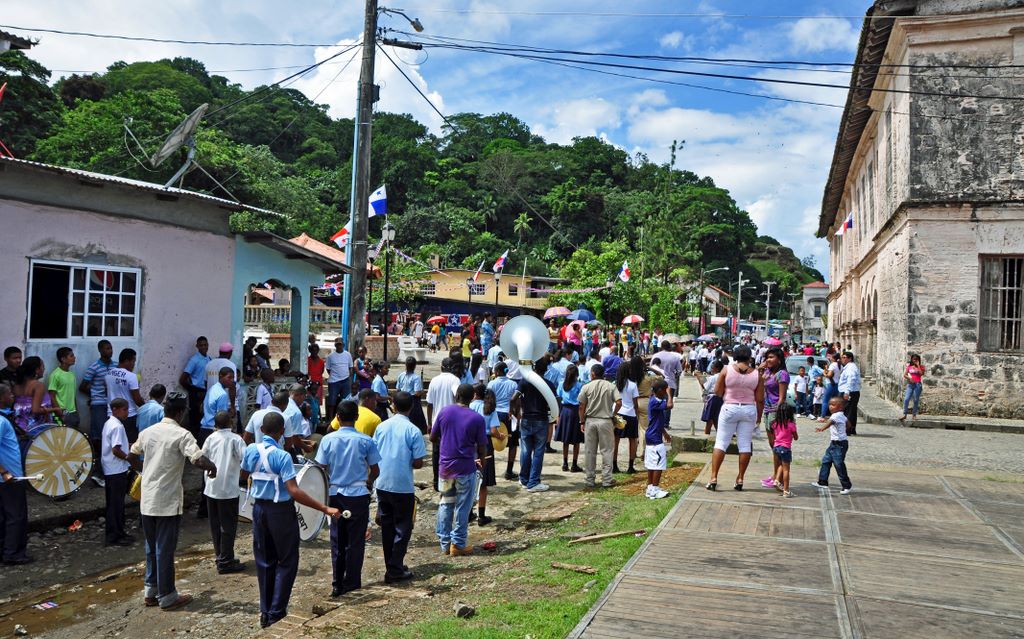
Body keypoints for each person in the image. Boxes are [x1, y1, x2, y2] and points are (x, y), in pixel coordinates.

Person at [242, 412, 341, 627]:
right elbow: (294, 491)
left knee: (264, 560)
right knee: (287, 561)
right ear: (281, 433)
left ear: (261, 430)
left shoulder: (250, 450)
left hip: (258, 511)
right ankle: (277, 611)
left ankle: (265, 611)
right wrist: (324, 508)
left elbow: (243, 475)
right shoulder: (282, 456)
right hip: (280, 512)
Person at [127, 393, 217, 611]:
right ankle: (167, 596)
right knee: (164, 548)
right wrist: (212, 467)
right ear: (180, 412)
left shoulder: (148, 433)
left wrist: (143, 471)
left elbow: (132, 453)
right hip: (167, 500)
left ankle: (151, 591)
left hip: (147, 498)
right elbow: (198, 459)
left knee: (151, 546)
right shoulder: (182, 434)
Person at [315, 400, 381, 596]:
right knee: (355, 541)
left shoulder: (327, 440)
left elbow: (320, 468)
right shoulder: (366, 441)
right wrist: (368, 481)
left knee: (337, 540)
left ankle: (337, 583)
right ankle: (352, 582)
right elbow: (375, 469)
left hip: (335, 495)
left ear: (337, 417)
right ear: (357, 417)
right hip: (358, 495)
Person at [373, 391, 427, 583]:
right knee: (404, 527)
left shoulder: (382, 426)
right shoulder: (413, 430)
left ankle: (393, 564)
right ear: (411, 407)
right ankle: (395, 568)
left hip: (382, 482)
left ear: (393, 406)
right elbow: (419, 462)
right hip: (402, 484)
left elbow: (374, 452)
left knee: (387, 526)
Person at [431, 384, 487, 556]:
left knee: (445, 503)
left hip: (446, 467)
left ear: (456, 396)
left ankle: (444, 544)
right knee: (463, 506)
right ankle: (458, 543)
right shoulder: (477, 418)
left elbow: (433, 437)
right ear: (473, 397)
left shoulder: (444, 412)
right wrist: (482, 463)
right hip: (465, 467)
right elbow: (482, 446)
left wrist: (447, 444)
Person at [707, 345, 764, 492]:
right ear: (750, 357)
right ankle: (740, 478)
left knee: (721, 443)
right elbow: (760, 399)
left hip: (730, 407)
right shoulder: (757, 374)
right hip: (749, 409)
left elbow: (717, 392)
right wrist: (759, 417)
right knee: (745, 445)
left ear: (736, 355)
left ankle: (713, 477)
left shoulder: (726, 369)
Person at [202, 410, 246, 574]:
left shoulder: (210, 438)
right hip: (228, 489)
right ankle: (225, 561)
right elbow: (246, 459)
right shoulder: (236, 440)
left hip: (211, 488)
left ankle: (222, 556)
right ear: (231, 423)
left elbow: (202, 458)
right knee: (228, 526)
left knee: (215, 525)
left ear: (215, 425)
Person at [512, 358, 554, 492]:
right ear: (546, 369)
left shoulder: (525, 382)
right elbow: (555, 403)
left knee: (525, 451)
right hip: (541, 420)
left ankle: (524, 479)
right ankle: (533, 482)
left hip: (526, 419)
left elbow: (513, 398)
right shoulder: (548, 384)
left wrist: (514, 413)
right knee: (538, 452)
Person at [0, 384, 30, 565]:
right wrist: (4, 472)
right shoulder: (2, 421)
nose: (12, 396)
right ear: (1, 397)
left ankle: (6, 551)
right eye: (9, 394)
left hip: (9, 477)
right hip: (9, 478)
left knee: (5, 517)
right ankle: (13, 553)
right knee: (15, 516)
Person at [12, 357, 63, 455]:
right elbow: (35, 410)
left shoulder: (17, 385)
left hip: (19, 428)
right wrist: (55, 409)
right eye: (42, 366)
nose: (44, 369)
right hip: (35, 430)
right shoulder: (38, 385)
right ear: (36, 370)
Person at [578, 364, 618, 489]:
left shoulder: (586, 387)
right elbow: (619, 402)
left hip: (590, 421)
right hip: (606, 421)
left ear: (593, 374)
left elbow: (581, 406)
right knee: (607, 451)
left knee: (590, 451)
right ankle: (607, 480)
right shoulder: (611, 386)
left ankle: (589, 480)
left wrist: (582, 421)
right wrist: (613, 414)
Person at [81, 340, 115, 483]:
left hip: (112, 405)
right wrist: (94, 394)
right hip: (99, 404)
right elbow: (83, 386)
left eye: (111, 348)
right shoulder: (94, 367)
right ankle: (98, 472)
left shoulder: (115, 365)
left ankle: (108, 470)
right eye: (107, 348)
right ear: (100, 351)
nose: (110, 351)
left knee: (111, 438)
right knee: (99, 437)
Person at [102, 398, 134, 547]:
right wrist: (129, 458)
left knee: (114, 504)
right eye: (124, 409)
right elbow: (116, 449)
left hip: (110, 469)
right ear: (115, 409)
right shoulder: (117, 426)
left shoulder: (109, 423)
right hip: (116, 469)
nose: (126, 412)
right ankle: (115, 535)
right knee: (116, 504)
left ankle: (117, 532)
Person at [427, 358, 461, 491]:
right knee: (450, 451)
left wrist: (429, 423)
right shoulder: (455, 380)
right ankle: (449, 480)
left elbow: (429, 404)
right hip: (452, 423)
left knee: (437, 452)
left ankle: (437, 481)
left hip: (436, 421)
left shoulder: (434, 380)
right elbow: (458, 397)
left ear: (441, 367)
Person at [469, 386, 502, 523]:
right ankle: (481, 516)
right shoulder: (489, 409)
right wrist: (500, 436)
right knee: (483, 481)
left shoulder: (470, 405)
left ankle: (469, 513)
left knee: (470, 479)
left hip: (470, 442)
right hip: (486, 444)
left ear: (475, 394)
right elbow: (494, 430)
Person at [758, 347, 790, 489]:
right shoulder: (767, 372)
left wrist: (778, 417)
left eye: (771, 357)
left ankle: (780, 478)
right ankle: (775, 476)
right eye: (767, 357)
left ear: (779, 359)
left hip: (777, 413)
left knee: (780, 447)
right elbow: (758, 386)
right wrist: (759, 370)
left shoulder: (782, 374)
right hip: (767, 411)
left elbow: (781, 398)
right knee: (773, 447)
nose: (768, 360)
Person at [811, 397, 853, 494]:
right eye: (830, 404)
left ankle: (846, 485)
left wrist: (822, 429)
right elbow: (849, 425)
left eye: (833, 405)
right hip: (835, 443)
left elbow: (830, 422)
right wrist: (844, 431)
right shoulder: (842, 415)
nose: (830, 406)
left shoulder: (836, 415)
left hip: (839, 444)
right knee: (826, 461)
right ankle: (822, 481)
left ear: (840, 407)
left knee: (839, 464)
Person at [486, 362, 519, 481]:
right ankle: (509, 471)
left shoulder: (491, 383)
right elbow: (516, 402)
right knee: (513, 443)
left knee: (491, 441)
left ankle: (489, 469)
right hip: (509, 415)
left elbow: (488, 401)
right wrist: (517, 415)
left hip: (495, 414)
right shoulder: (513, 384)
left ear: (497, 372)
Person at [105, 349, 145, 442]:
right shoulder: (131, 376)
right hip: (129, 415)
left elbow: (106, 391)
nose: (134, 364)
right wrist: (146, 407)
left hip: (112, 413)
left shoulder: (108, 374)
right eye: (133, 361)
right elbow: (137, 399)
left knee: (114, 442)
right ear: (127, 361)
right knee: (130, 443)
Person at [644, 380, 671, 500]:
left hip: (652, 434)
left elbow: (657, 420)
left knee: (651, 463)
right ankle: (655, 489)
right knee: (659, 464)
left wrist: (664, 432)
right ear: (659, 391)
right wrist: (670, 394)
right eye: (664, 390)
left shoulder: (655, 400)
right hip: (655, 437)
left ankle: (650, 488)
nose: (666, 392)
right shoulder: (655, 402)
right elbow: (670, 405)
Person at [555, 364, 584, 473]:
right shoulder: (579, 385)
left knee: (565, 439)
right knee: (576, 440)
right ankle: (574, 464)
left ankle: (565, 463)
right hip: (575, 412)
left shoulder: (561, 384)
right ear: (576, 374)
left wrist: (558, 414)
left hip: (564, 412)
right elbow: (581, 402)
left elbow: (558, 398)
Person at [180, 337, 211, 438]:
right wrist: (193, 390)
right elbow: (183, 379)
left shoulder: (209, 359)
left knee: (205, 417)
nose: (203, 347)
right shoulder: (194, 360)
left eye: (205, 345)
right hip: (196, 393)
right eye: (201, 345)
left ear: (208, 345)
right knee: (195, 418)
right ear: (197, 346)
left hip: (206, 392)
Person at [613, 364, 640, 475]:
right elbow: (635, 403)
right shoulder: (633, 385)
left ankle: (614, 465)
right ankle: (630, 466)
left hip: (619, 413)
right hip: (631, 414)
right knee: (632, 440)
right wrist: (637, 415)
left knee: (615, 440)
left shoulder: (615, 385)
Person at [770, 403, 798, 498]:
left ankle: (777, 480)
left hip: (776, 447)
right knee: (786, 470)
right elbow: (796, 437)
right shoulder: (791, 425)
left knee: (781, 465)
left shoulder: (774, 424)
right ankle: (786, 490)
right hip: (785, 448)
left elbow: (774, 436)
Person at [48, 347, 79, 429]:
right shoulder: (55, 375)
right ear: (63, 359)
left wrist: (76, 411)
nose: (74, 357)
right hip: (62, 413)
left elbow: (72, 395)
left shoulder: (71, 374)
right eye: (71, 356)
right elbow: (51, 396)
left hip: (73, 412)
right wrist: (60, 413)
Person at [325, 339, 353, 423]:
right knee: (332, 401)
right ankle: (330, 419)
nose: (339, 346)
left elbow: (350, 367)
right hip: (334, 381)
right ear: (335, 345)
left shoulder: (348, 355)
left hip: (345, 381)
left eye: (340, 344)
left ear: (343, 345)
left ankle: (345, 418)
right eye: (337, 344)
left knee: (345, 401)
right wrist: (335, 375)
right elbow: (328, 369)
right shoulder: (330, 356)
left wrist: (348, 377)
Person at [396, 357, 427, 433]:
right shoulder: (416, 378)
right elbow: (417, 393)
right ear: (414, 366)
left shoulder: (401, 375)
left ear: (405, 365)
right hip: (412, 401)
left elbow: (398, 389)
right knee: (414, 422)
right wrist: (422, 392)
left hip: (401, 400)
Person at [837, 351, 862, 436]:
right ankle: (851, 429)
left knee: (848, 411)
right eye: (842, 357)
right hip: (851, 391)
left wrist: (847, 392)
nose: (842, 359)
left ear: (849, 358)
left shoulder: (851, 367)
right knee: (851, 411)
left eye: (844, 357)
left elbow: (851, 380)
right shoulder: (848, 367)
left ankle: (847, 430)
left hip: (849, 391)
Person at [701, 360, 723, 435]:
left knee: (709, 419)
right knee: (716, 418)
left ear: (716, 368)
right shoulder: (723, 376)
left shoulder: (713, 377)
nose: (711, 369)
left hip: (712, 398)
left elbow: (705, 387)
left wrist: (700, 377)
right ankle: (720, 435)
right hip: (721, 398)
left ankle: (706, 435)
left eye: (712, 368)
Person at [900, 353, 925, 422]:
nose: (915, 360)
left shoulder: (922, 367)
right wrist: (909, 378)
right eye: (914, 359)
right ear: (911, 359)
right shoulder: (909, 367)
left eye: (916, 359)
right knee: (906, 399)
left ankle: (914, 415)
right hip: (910, 385)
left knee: (916, 400)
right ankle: (904, 414)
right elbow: (905, 375)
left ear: (918, 360)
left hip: (918, 385)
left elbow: (921, 374)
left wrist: (918, 366)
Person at [818, 352, 841, 422]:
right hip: (837, 384)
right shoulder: (840, 365)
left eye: (831, 357)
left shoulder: (833, 365)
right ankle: (834, 416)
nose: (830, 358)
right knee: (835, 401)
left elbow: (829, 375)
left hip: (831, 384)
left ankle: (822, 416)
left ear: (833, 358)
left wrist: (825, 373)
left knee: (825, 400)